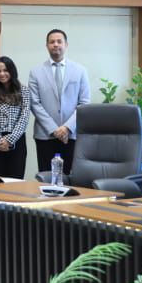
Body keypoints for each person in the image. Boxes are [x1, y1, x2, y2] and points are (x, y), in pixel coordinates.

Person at [28, 28, 91, 174]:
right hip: (45, 135)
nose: (55, 44)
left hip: (71, 134)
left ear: (66, 45)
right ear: (47, 46)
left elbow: (84, 103)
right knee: (46, 177)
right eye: (52, 42)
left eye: (59, 41)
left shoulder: (80, 70)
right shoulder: (36, 72)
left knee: (70, 177)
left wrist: (67, 128)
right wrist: (54, 129)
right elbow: (35, 103)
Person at [0, 56, 31, 179]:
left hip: (17, 140)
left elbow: (24, 117)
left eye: (5, 70)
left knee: (15, 181)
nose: (2, 74)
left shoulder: (24, 91)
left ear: (12, 71)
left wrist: (10, 140)